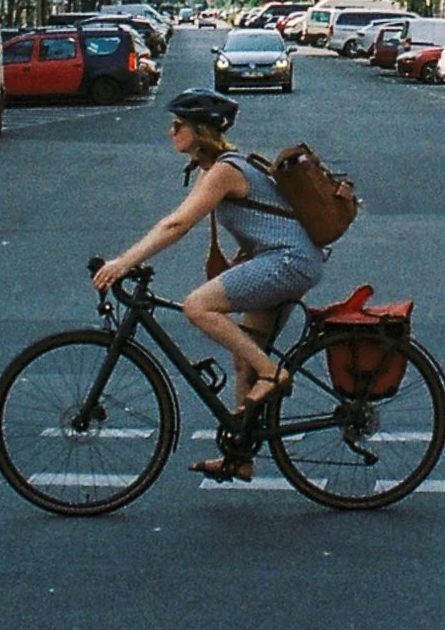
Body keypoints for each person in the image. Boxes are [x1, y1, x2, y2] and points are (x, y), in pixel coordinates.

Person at [92, 88, 323, 480]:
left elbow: (177, 224)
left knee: (197, 306)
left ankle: (273, 374)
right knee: (242, 356)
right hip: (286, 260)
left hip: (288, 263)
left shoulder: (224, 171)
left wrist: (124, 262)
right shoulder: (217, 168)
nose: (171, 132)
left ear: (200, 131)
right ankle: (240, 455)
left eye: (178, 125)